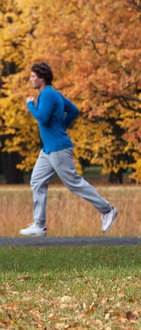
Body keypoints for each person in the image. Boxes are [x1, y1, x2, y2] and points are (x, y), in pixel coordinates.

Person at [20, 61, 119, 237]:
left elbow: (42, 118)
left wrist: (30, 105)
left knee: (74, 183)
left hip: (58, 148)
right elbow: (73, 110)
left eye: (33, 76)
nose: (30, 79)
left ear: (42, 79)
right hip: (48, 150)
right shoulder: (54, 94)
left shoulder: (48, 94)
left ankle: (107, 210)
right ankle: (39, 225)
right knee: (37, 181)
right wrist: (61, 127)